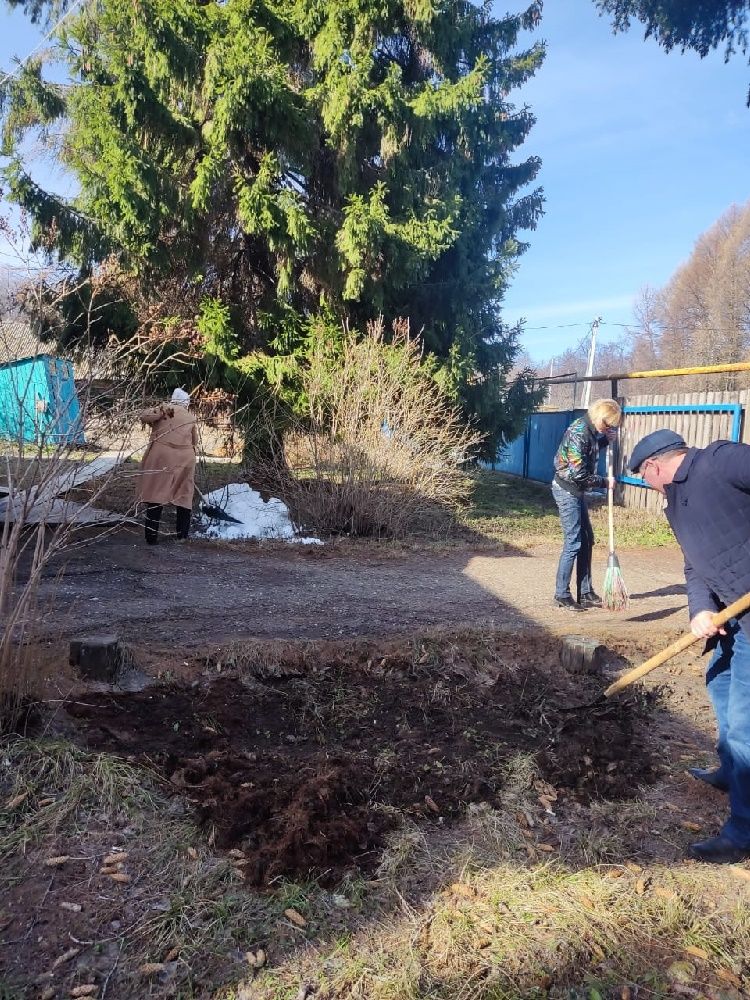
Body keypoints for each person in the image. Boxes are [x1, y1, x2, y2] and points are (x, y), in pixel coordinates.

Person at [629, 428, 750, 864]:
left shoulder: (721, 461)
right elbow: (692, 563)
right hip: (727, 614)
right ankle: (731, 771)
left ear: (655, 466)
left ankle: (742, 833)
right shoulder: (675, 504)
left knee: (744, 725)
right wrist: (700, 609)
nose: (646, 483)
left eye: (645, 475)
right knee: (718, 682)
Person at [551, 398, 620, 611]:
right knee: (573, 542)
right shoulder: (579, 432)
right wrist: (604, 482)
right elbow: (578, 473)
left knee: (586, 539)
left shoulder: (589, 432)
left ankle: (586, 591)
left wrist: (606, 440)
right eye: (607, 425)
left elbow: (589, 450)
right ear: (599, 418)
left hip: (576, 491)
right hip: (567, 489)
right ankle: (562, 595)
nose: (608, 428)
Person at [137, 387, 198, 544]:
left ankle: (151, 537)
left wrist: (158, 410)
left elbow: (144, 416)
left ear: (173, 400)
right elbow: (194, 442)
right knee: (183, 494)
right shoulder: (191, 417)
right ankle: (182, 535)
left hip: (162, 458)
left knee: (156, 494)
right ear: (186, 403)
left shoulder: (165, 409)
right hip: (185, 459)